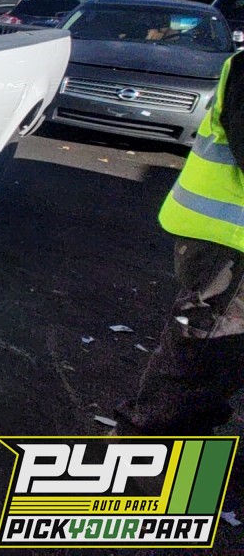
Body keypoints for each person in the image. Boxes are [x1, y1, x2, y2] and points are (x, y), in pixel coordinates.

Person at [115, 53, 244, 436]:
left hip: (225, 242)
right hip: (229, 247)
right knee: (197, 371)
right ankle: (144, 473)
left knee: (211, 367)